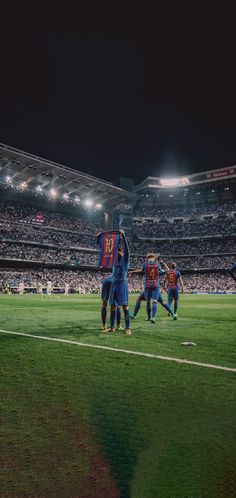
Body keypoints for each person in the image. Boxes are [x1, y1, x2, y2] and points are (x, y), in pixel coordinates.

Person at [129, 253, 169, 323]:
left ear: (147, 258)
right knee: (158, 302)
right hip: (156, 286)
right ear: (153, 258)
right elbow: (163, 271)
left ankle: (136, 315)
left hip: (148, 286)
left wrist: (132, 271)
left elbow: (141, 270)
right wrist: (163, 265)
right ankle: (153, 317)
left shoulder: (145, 264)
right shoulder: (157, 265)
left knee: (144, 301)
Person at [105, 230, 131, 335]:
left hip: (121, 284)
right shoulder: (114, 261)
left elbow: (127, 250)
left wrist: (123, 236)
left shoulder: (125, 260)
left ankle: (127, 328)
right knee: (112, 306)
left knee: (125, 306)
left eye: (119, 251)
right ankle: (112, 327)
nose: (117, 253)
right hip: (114, 284)